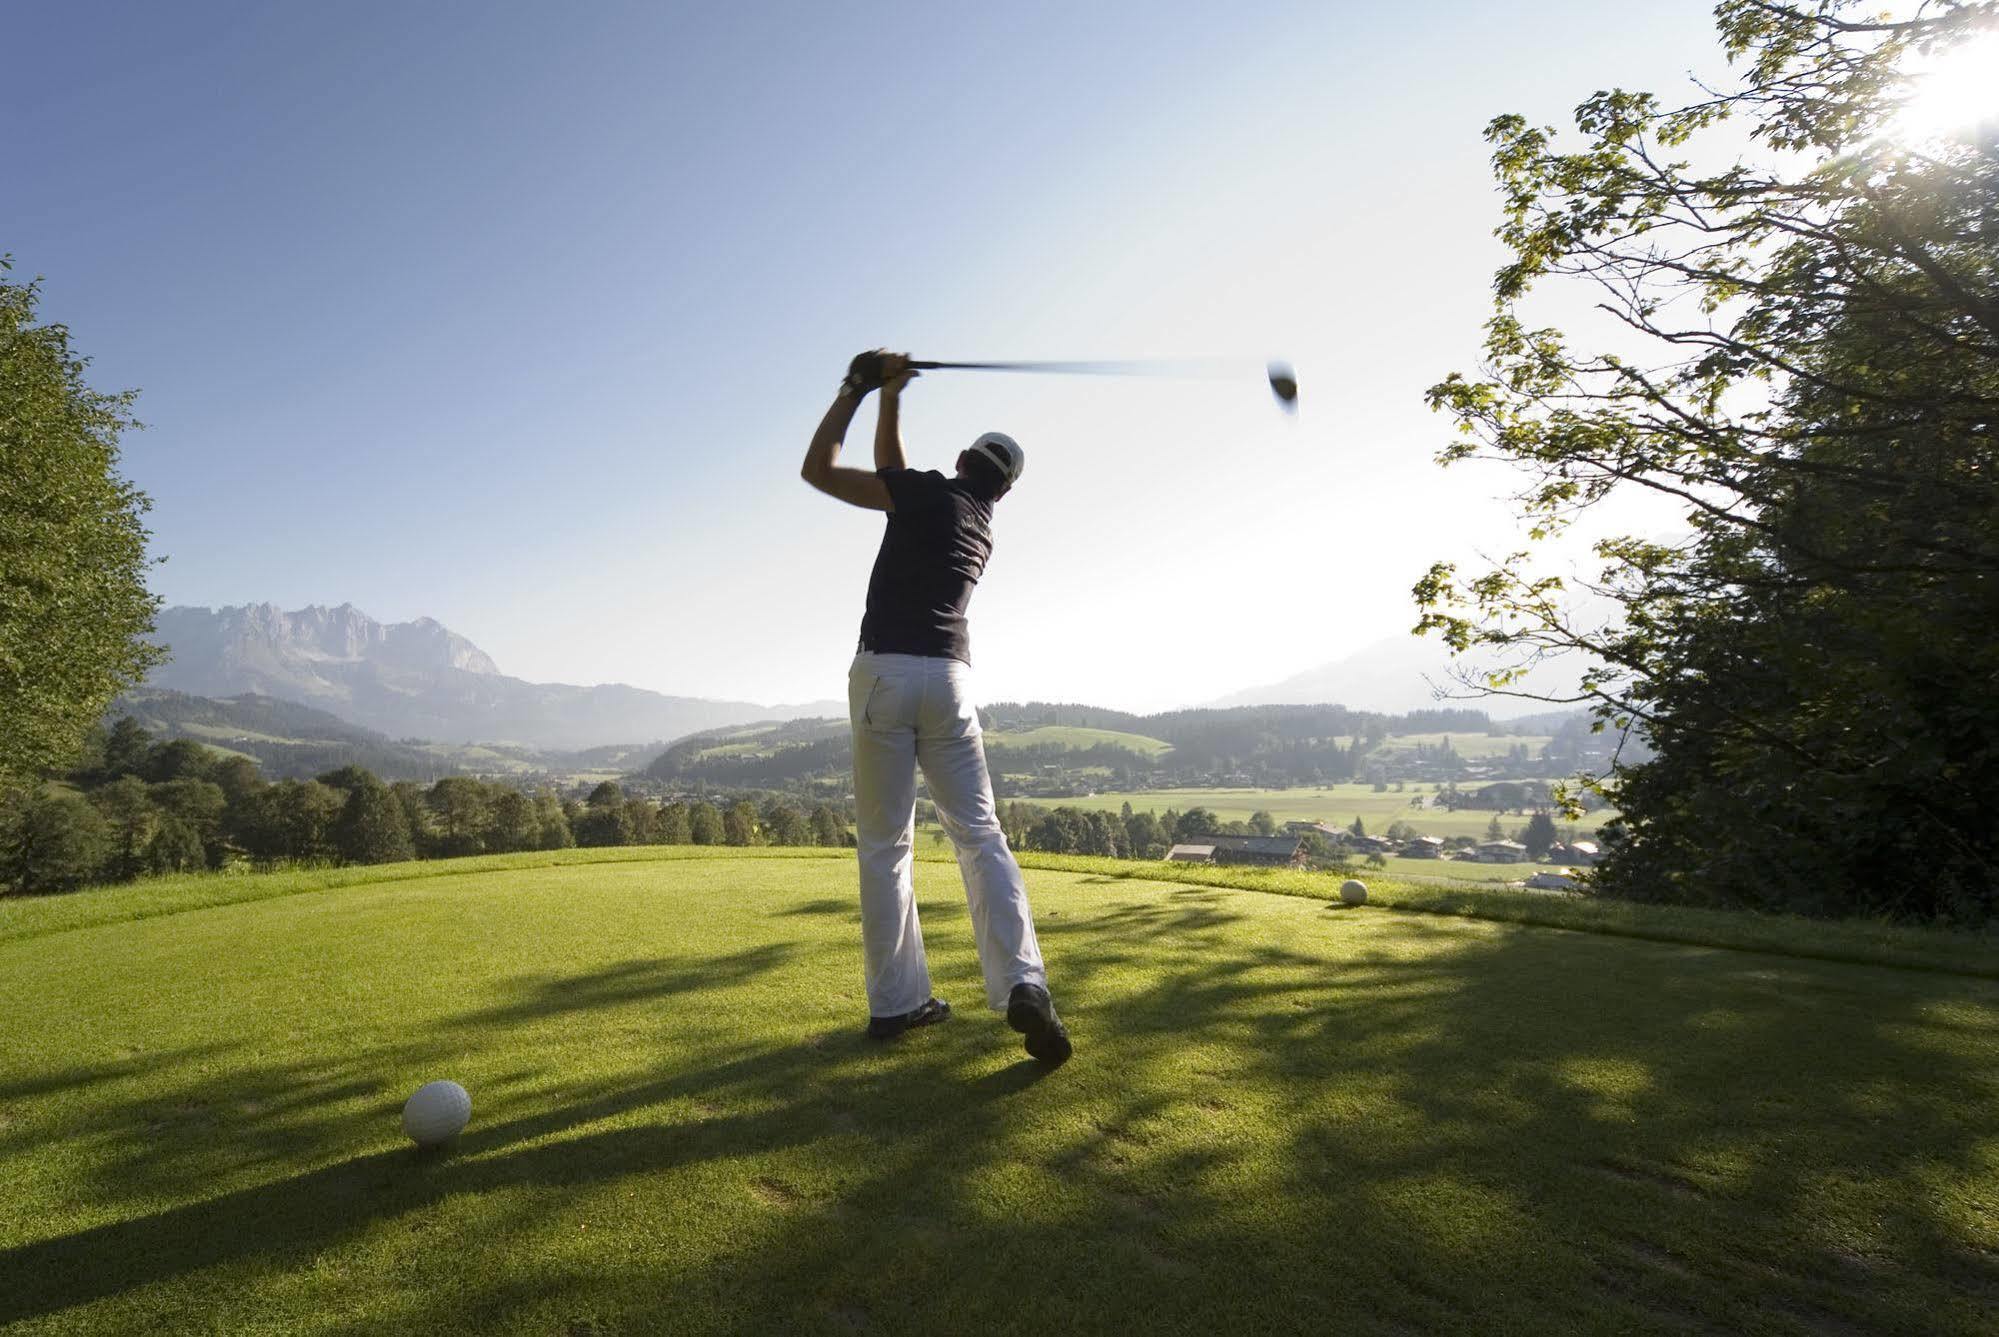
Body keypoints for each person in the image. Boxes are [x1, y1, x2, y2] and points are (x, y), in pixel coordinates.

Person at [799, 349, 1071, 1064]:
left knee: (887, 844)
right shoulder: (977, 522)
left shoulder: (923, 494)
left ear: (958, 459)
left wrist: (855, 386)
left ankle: (897, 1003)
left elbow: (819, 470)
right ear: (1003, 488)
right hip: (950, 679)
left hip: (885, 672)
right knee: (979, 832)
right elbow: (895, 470)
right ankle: (1022, 980)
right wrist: (892, 398)